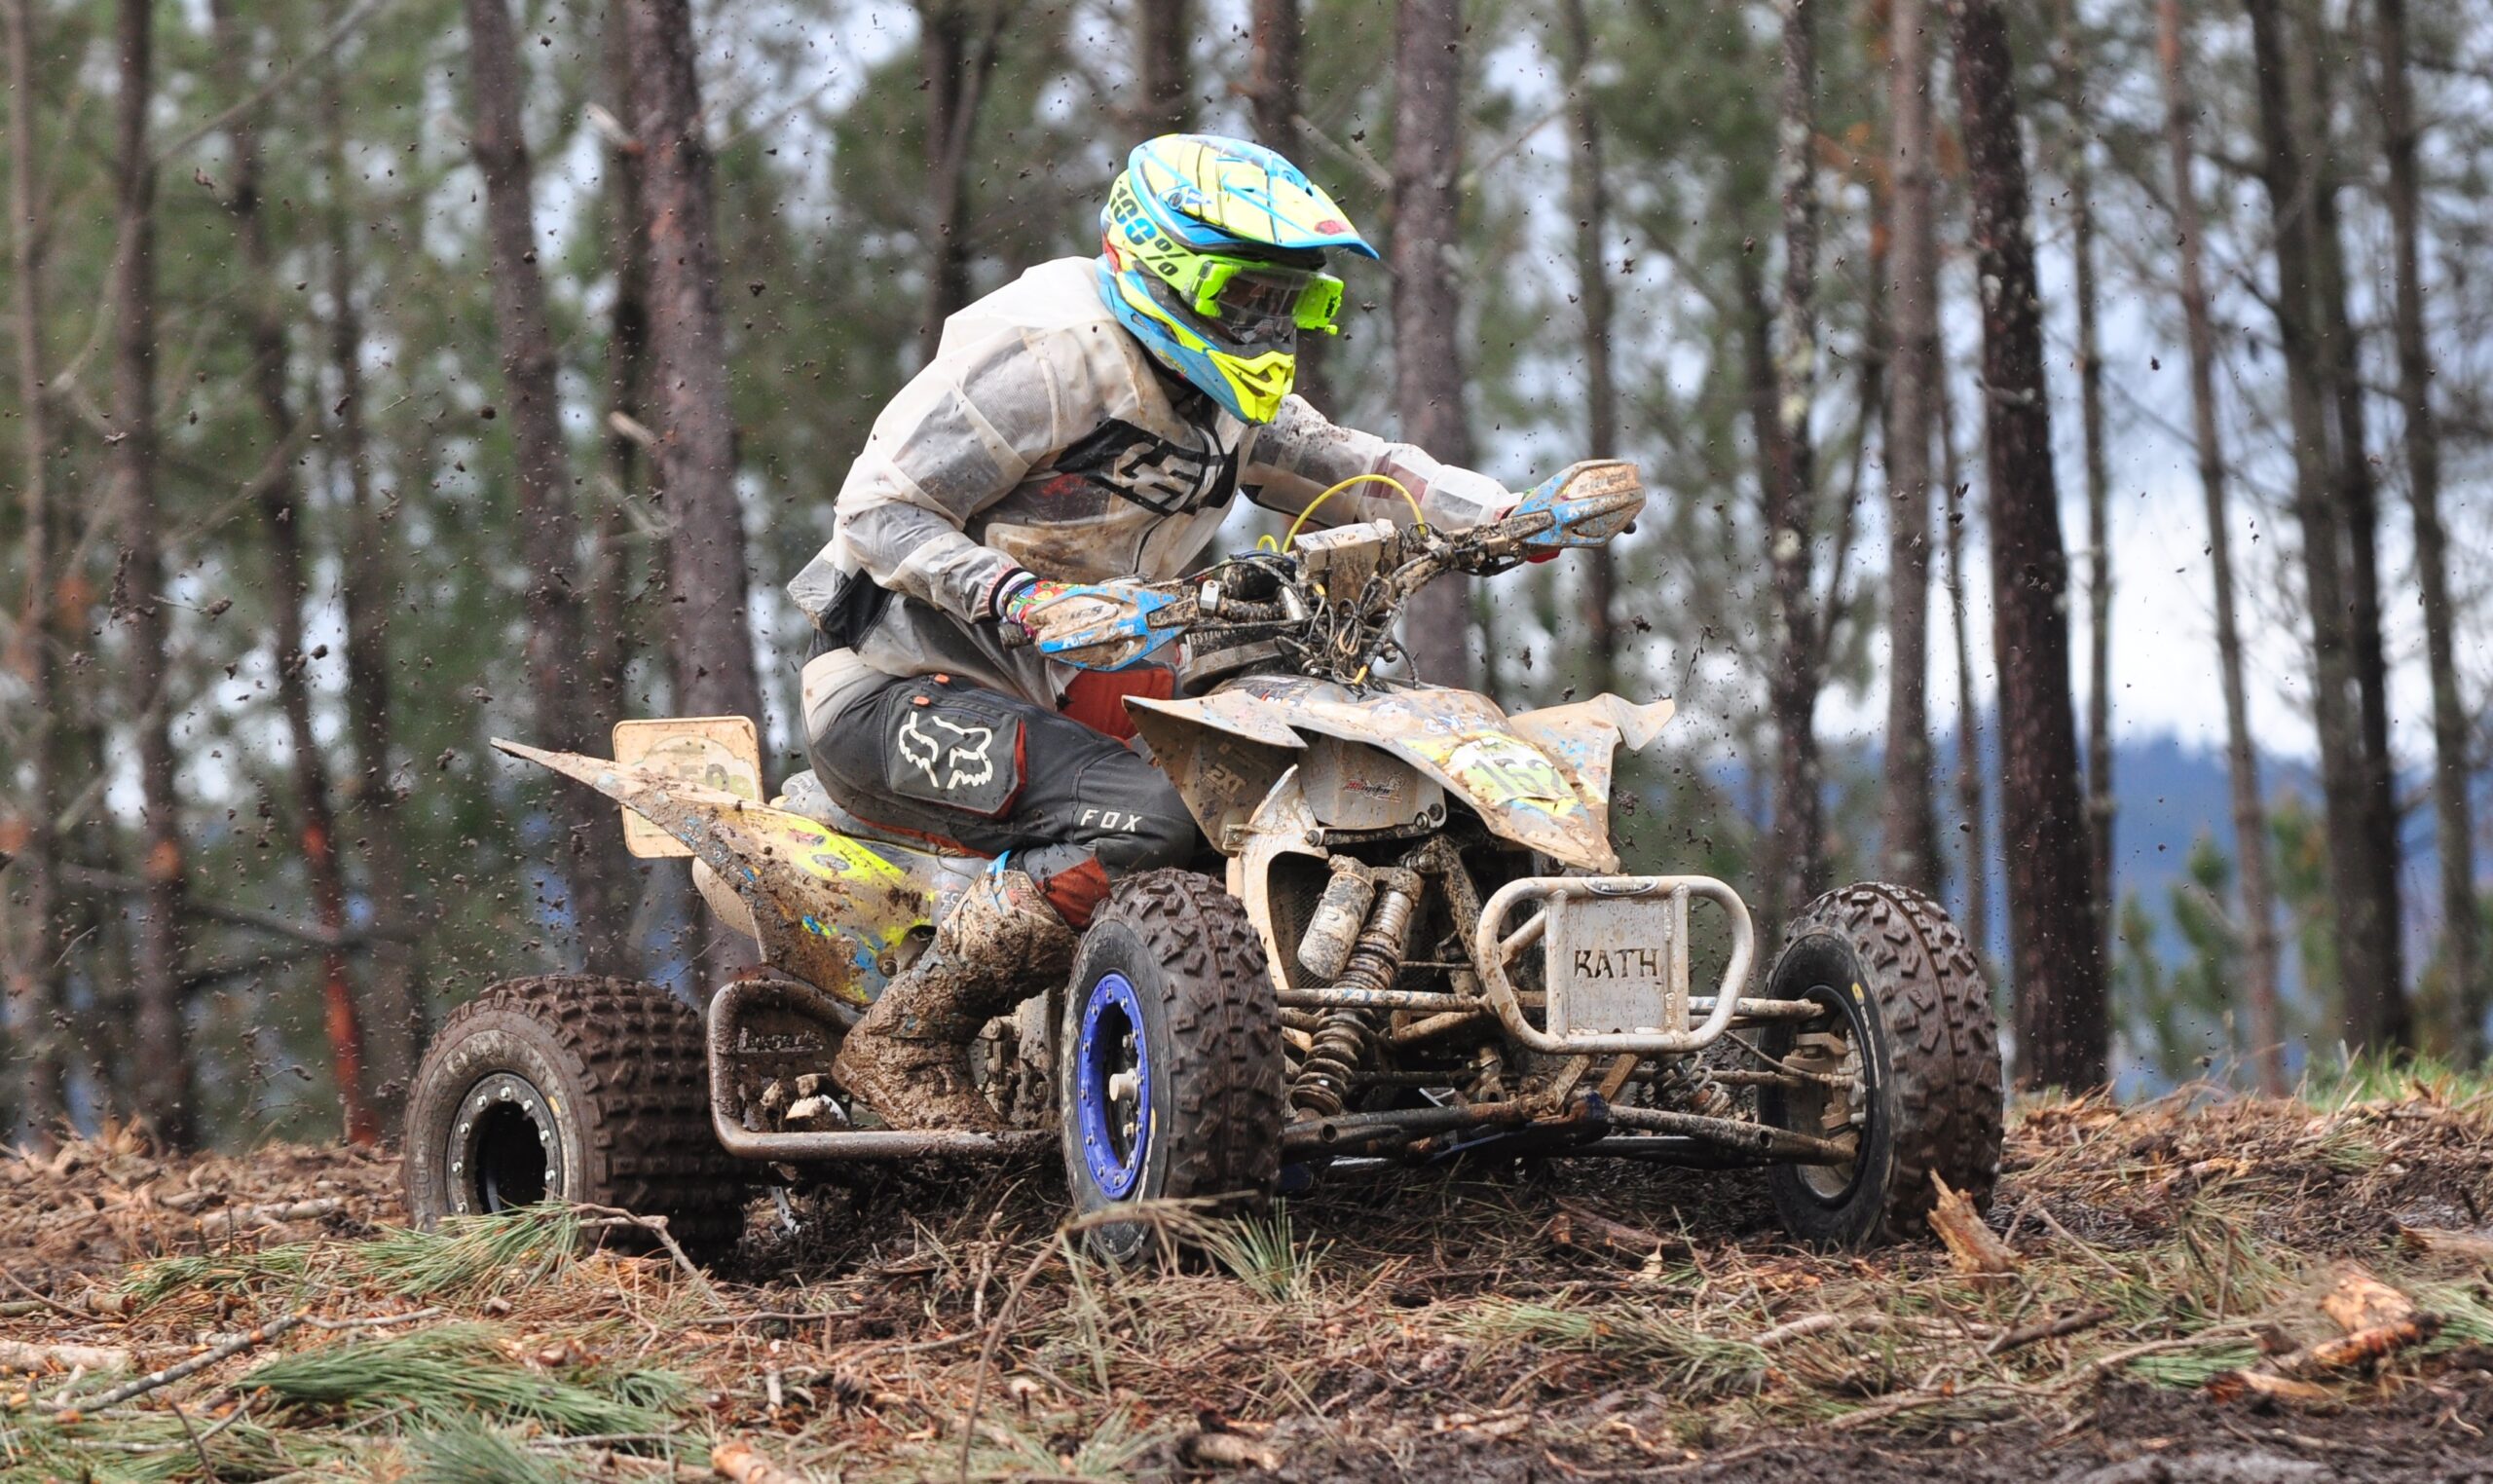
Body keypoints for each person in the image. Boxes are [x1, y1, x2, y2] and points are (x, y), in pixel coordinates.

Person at [793, 133, 1547, 1130]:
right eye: (1248, 299)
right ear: (1164, 267)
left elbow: (1346, 462)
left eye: (1292, 301)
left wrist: (1502, 510)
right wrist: (1023, 598)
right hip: (892, 683)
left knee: (1297, 792)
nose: (1271, 324)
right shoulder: (1045, 358)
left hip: (1066, 681)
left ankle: (1384, 1044)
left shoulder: (1218, 401)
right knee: (1161, 819)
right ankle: (906, 1036)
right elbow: (875, 514)